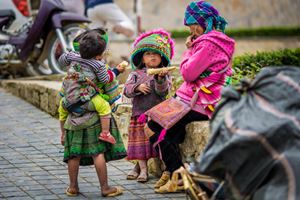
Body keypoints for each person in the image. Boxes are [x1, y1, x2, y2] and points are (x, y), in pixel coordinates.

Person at [147, 0, 235, 193]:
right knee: (156, 128)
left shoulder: (208, 44)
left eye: (192, 25)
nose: (191, 30)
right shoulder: (219, 40)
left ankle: (177, 175)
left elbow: (187, 74)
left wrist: (188, 49)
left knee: (159, 129)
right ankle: (173, 173)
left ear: (202, 22)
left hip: (200, 102)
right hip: (196, 100)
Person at [58, 28, 127, 197]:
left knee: (73, 155)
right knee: (98, 150)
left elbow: (61, 60)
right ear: (99, 54)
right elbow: (105, 80)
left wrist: (69, 55)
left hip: (69, 102)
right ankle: (105, 187)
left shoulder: (73, 56)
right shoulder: (98, 64)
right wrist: (115, 71)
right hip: (87, 100)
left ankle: (73, 187)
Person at [123, 29, 174, 183]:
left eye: (156, 54)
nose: (152, 56)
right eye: (148, 54)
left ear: (162, 57)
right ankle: (143, 171)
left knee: (154, 144)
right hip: (139, 115)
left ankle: (163, 168)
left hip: (156, 116)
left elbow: (162, 93)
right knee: (140, 146)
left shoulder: (164, 74)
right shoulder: (136, 74)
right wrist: (137, 88)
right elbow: (126, 90)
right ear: (142, 58)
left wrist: (160, 79)